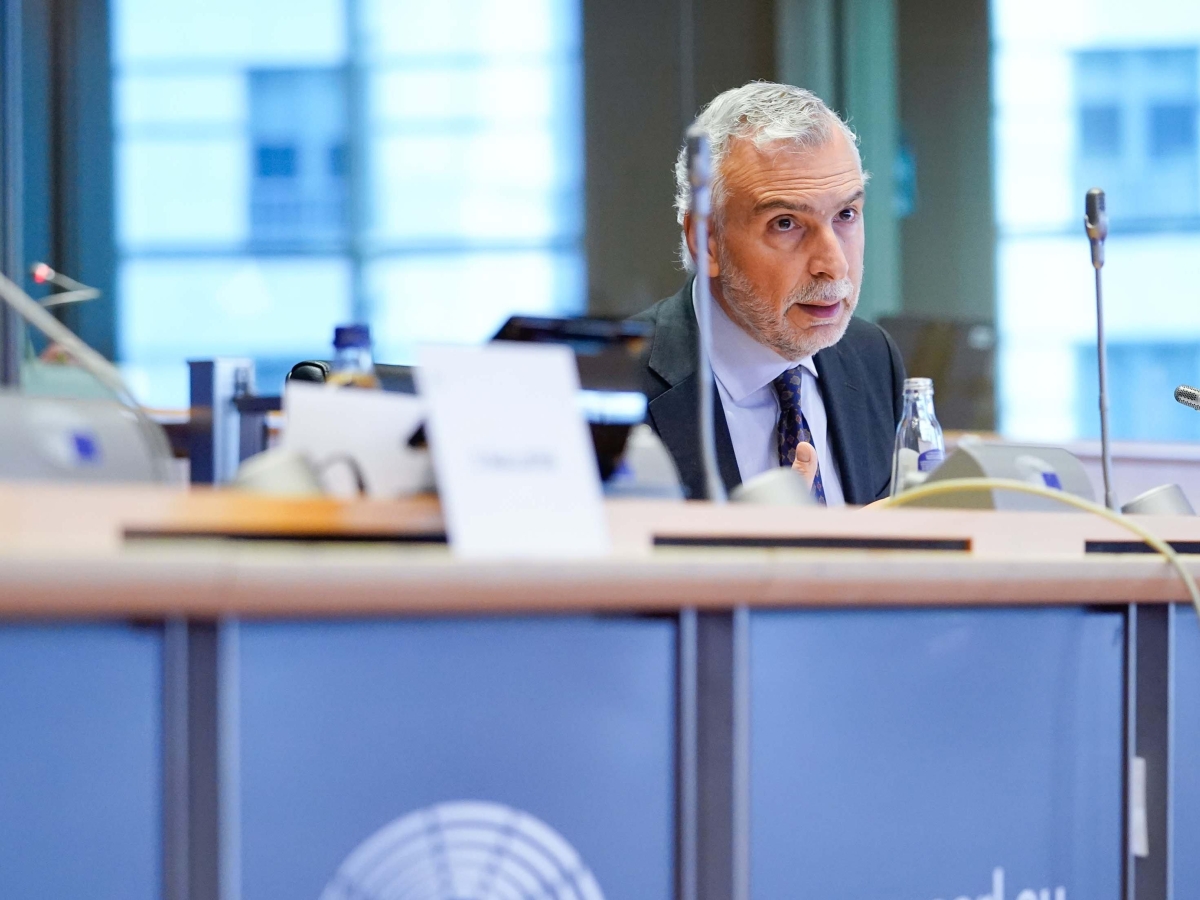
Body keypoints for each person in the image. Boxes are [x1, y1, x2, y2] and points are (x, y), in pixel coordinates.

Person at [636, 81, 906, 504]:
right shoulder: (615, 388)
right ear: (707, 242)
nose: (834, 264)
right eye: (786, 223)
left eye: (846, 214)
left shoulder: (872, 357)